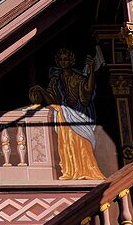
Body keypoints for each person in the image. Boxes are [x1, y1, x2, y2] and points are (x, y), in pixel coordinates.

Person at [29, 48, 105, 180]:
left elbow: (86, 95)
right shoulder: (55, 81)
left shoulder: (79, 78)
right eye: (61, 60)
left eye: (66, 59)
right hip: (63, 114)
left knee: (82, 144)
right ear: (58, 62)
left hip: (79, 114)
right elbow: (53, 101)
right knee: (66, 144)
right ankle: (69, 171)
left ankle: (86, 170)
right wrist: (41, 90)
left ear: (71, 61)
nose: (64, 62)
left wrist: (92, 70)